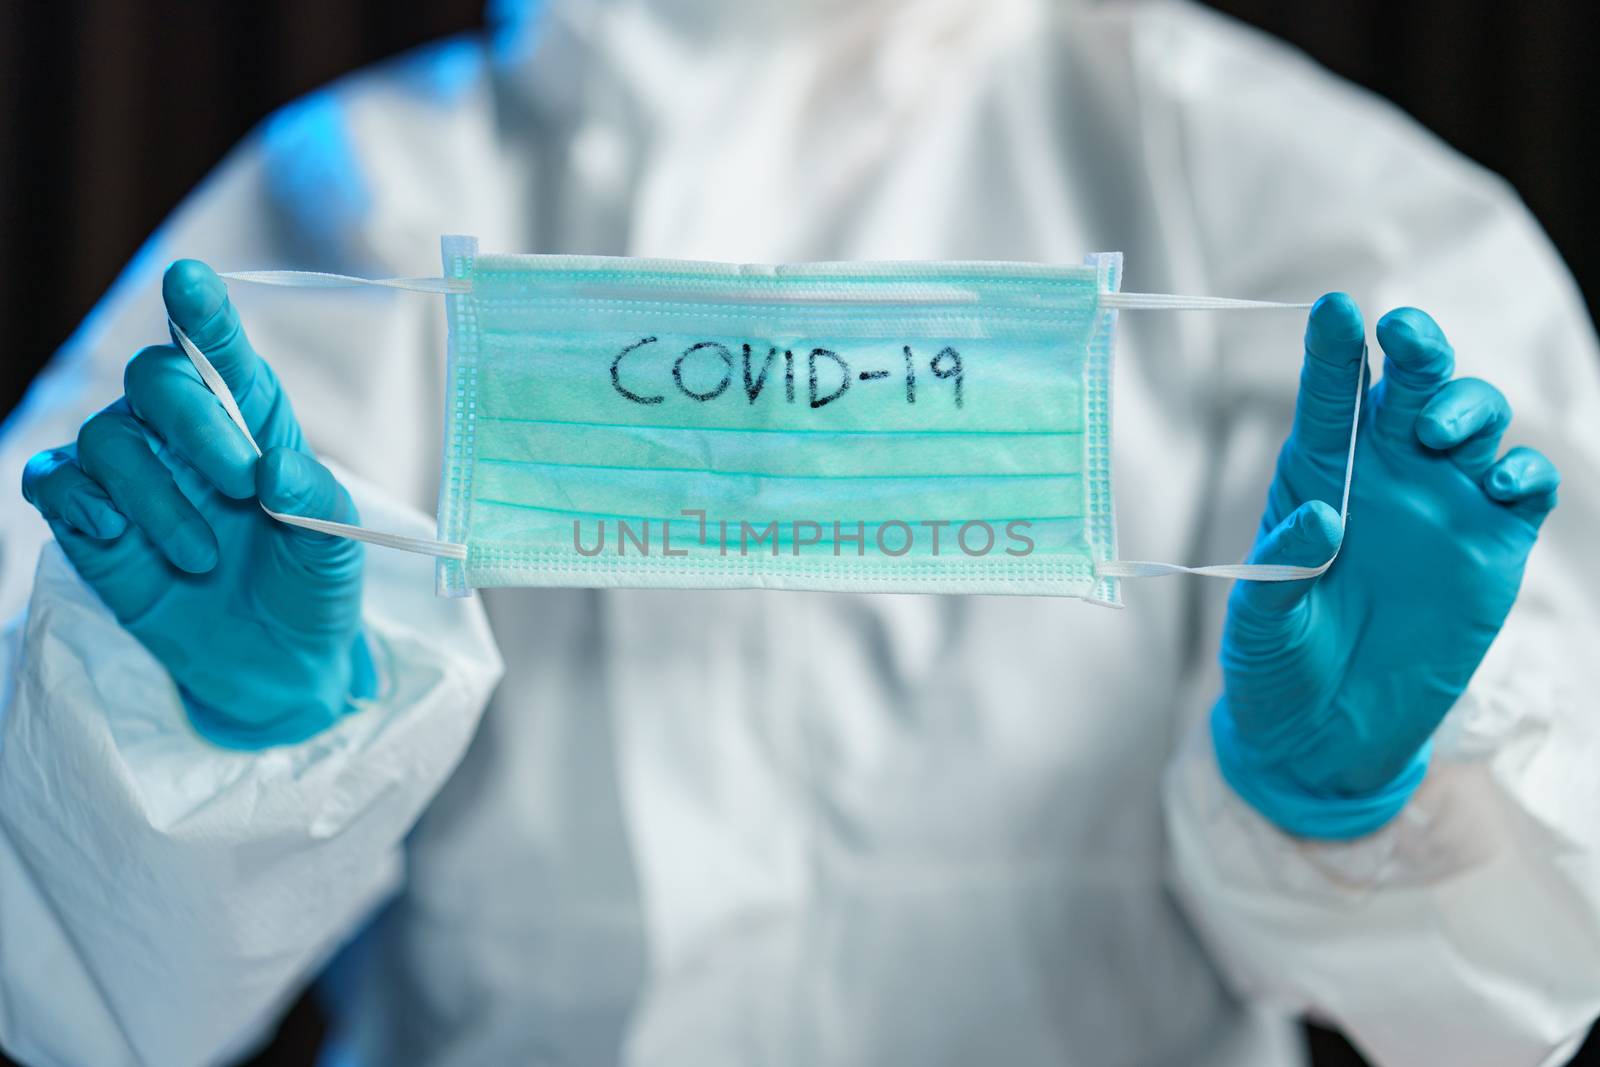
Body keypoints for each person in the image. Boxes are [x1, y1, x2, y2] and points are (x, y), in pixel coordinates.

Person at [3, 0, 1599, 1064]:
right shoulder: (351, 199)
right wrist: (200, 731)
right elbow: (43, 945)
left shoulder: (1279, 188)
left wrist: (1360, 796)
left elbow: (1542, 927)